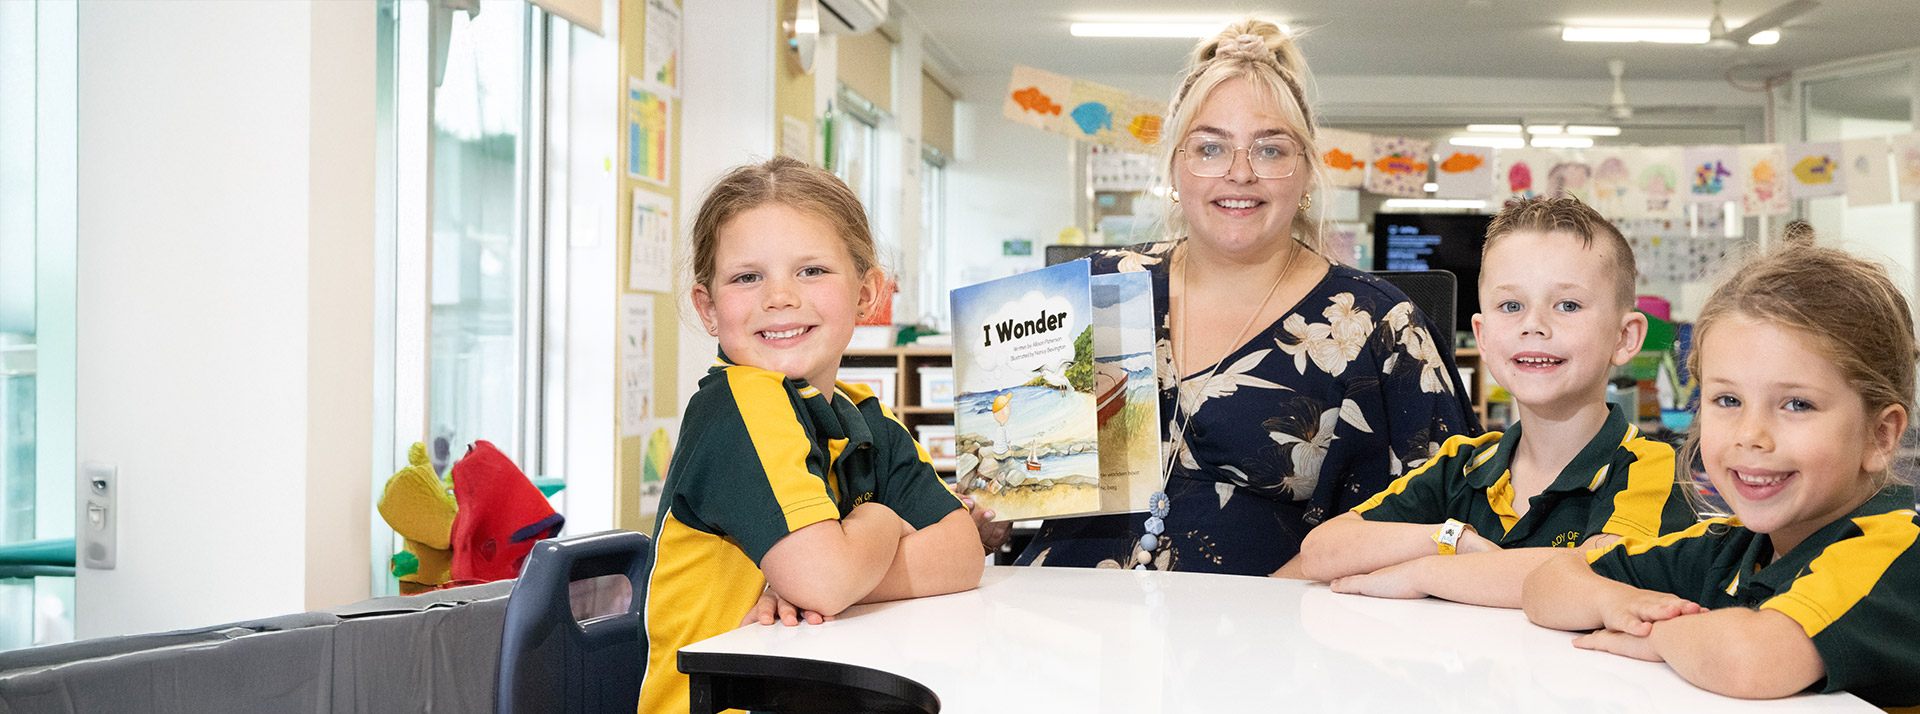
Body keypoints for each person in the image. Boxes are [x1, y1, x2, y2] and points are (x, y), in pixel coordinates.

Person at [968, 18, 1479, 576]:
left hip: (1274, 642)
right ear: (1175, 168)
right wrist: (984, 513)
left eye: (1270, 149)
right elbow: (1010, 480)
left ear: (1306, 172)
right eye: (1210, 148)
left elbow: (1443, 524)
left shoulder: (1380, 330)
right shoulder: (1094, 291)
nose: (1239, 173)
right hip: (1065, 628)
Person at [639, 157, 984, 713]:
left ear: (867, 293)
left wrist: (841, 577)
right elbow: (823, 580)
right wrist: (881, 521)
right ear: (708, 307)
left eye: (812, 271)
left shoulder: (863, 413)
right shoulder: (737, 406)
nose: (779, 297)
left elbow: (963, 552)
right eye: (748, 277)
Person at [1523, 229, 1920, 708]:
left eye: (1796, 404)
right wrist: (1618, 604)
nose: (1750, 434)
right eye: (1727, 400)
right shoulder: (1729, 548)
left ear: (1881, 436)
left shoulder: (1895, 551)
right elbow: (1548, 582)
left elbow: (1752, 658)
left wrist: (1657, 637)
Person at [1294, 196, 1696, 607]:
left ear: (1625, 337)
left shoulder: (1651, 468)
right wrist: (1452, 539)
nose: (1534, 325)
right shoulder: (1463, 465)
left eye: (1568, 305)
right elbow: (1321, 553)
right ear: (1483, 337)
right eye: (1511, 306)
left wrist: (1423, 572)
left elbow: (1596, 573)